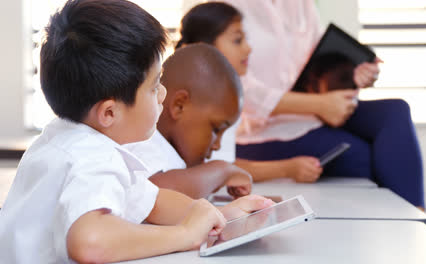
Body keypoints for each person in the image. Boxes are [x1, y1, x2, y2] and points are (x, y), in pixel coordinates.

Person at [0, 1, 273, 263]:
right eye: (154, 86)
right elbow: (90, 242)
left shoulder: (63, 138)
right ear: (109, 113)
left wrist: (219, 216)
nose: (163, 94)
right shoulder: (92, 158)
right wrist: (185, 234)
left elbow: (152, 201)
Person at [205, 0, 425, 208]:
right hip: (265, 130)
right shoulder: (227, 9)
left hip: (316, 112)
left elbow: (321, 63)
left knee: (395, 111)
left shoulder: (301, 4)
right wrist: (318, 105)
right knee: (363, 157)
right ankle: (405, 226)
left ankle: (418, 217)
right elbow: (239, 90)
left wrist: (355, 73)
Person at [176, 2, 323, 183]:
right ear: (203, 46)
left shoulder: (224, 93)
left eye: (246, 39)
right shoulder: (198, 100)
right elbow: (212, 167)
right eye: (238, 41)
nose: (248, 49)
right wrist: (288, 168)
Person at [125, 43, 253, 199]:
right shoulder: (143, 140)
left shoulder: (170, 152)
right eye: (215, 129)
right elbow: (157, 195)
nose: (217, 145)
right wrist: (222, 171)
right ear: (179, 106)